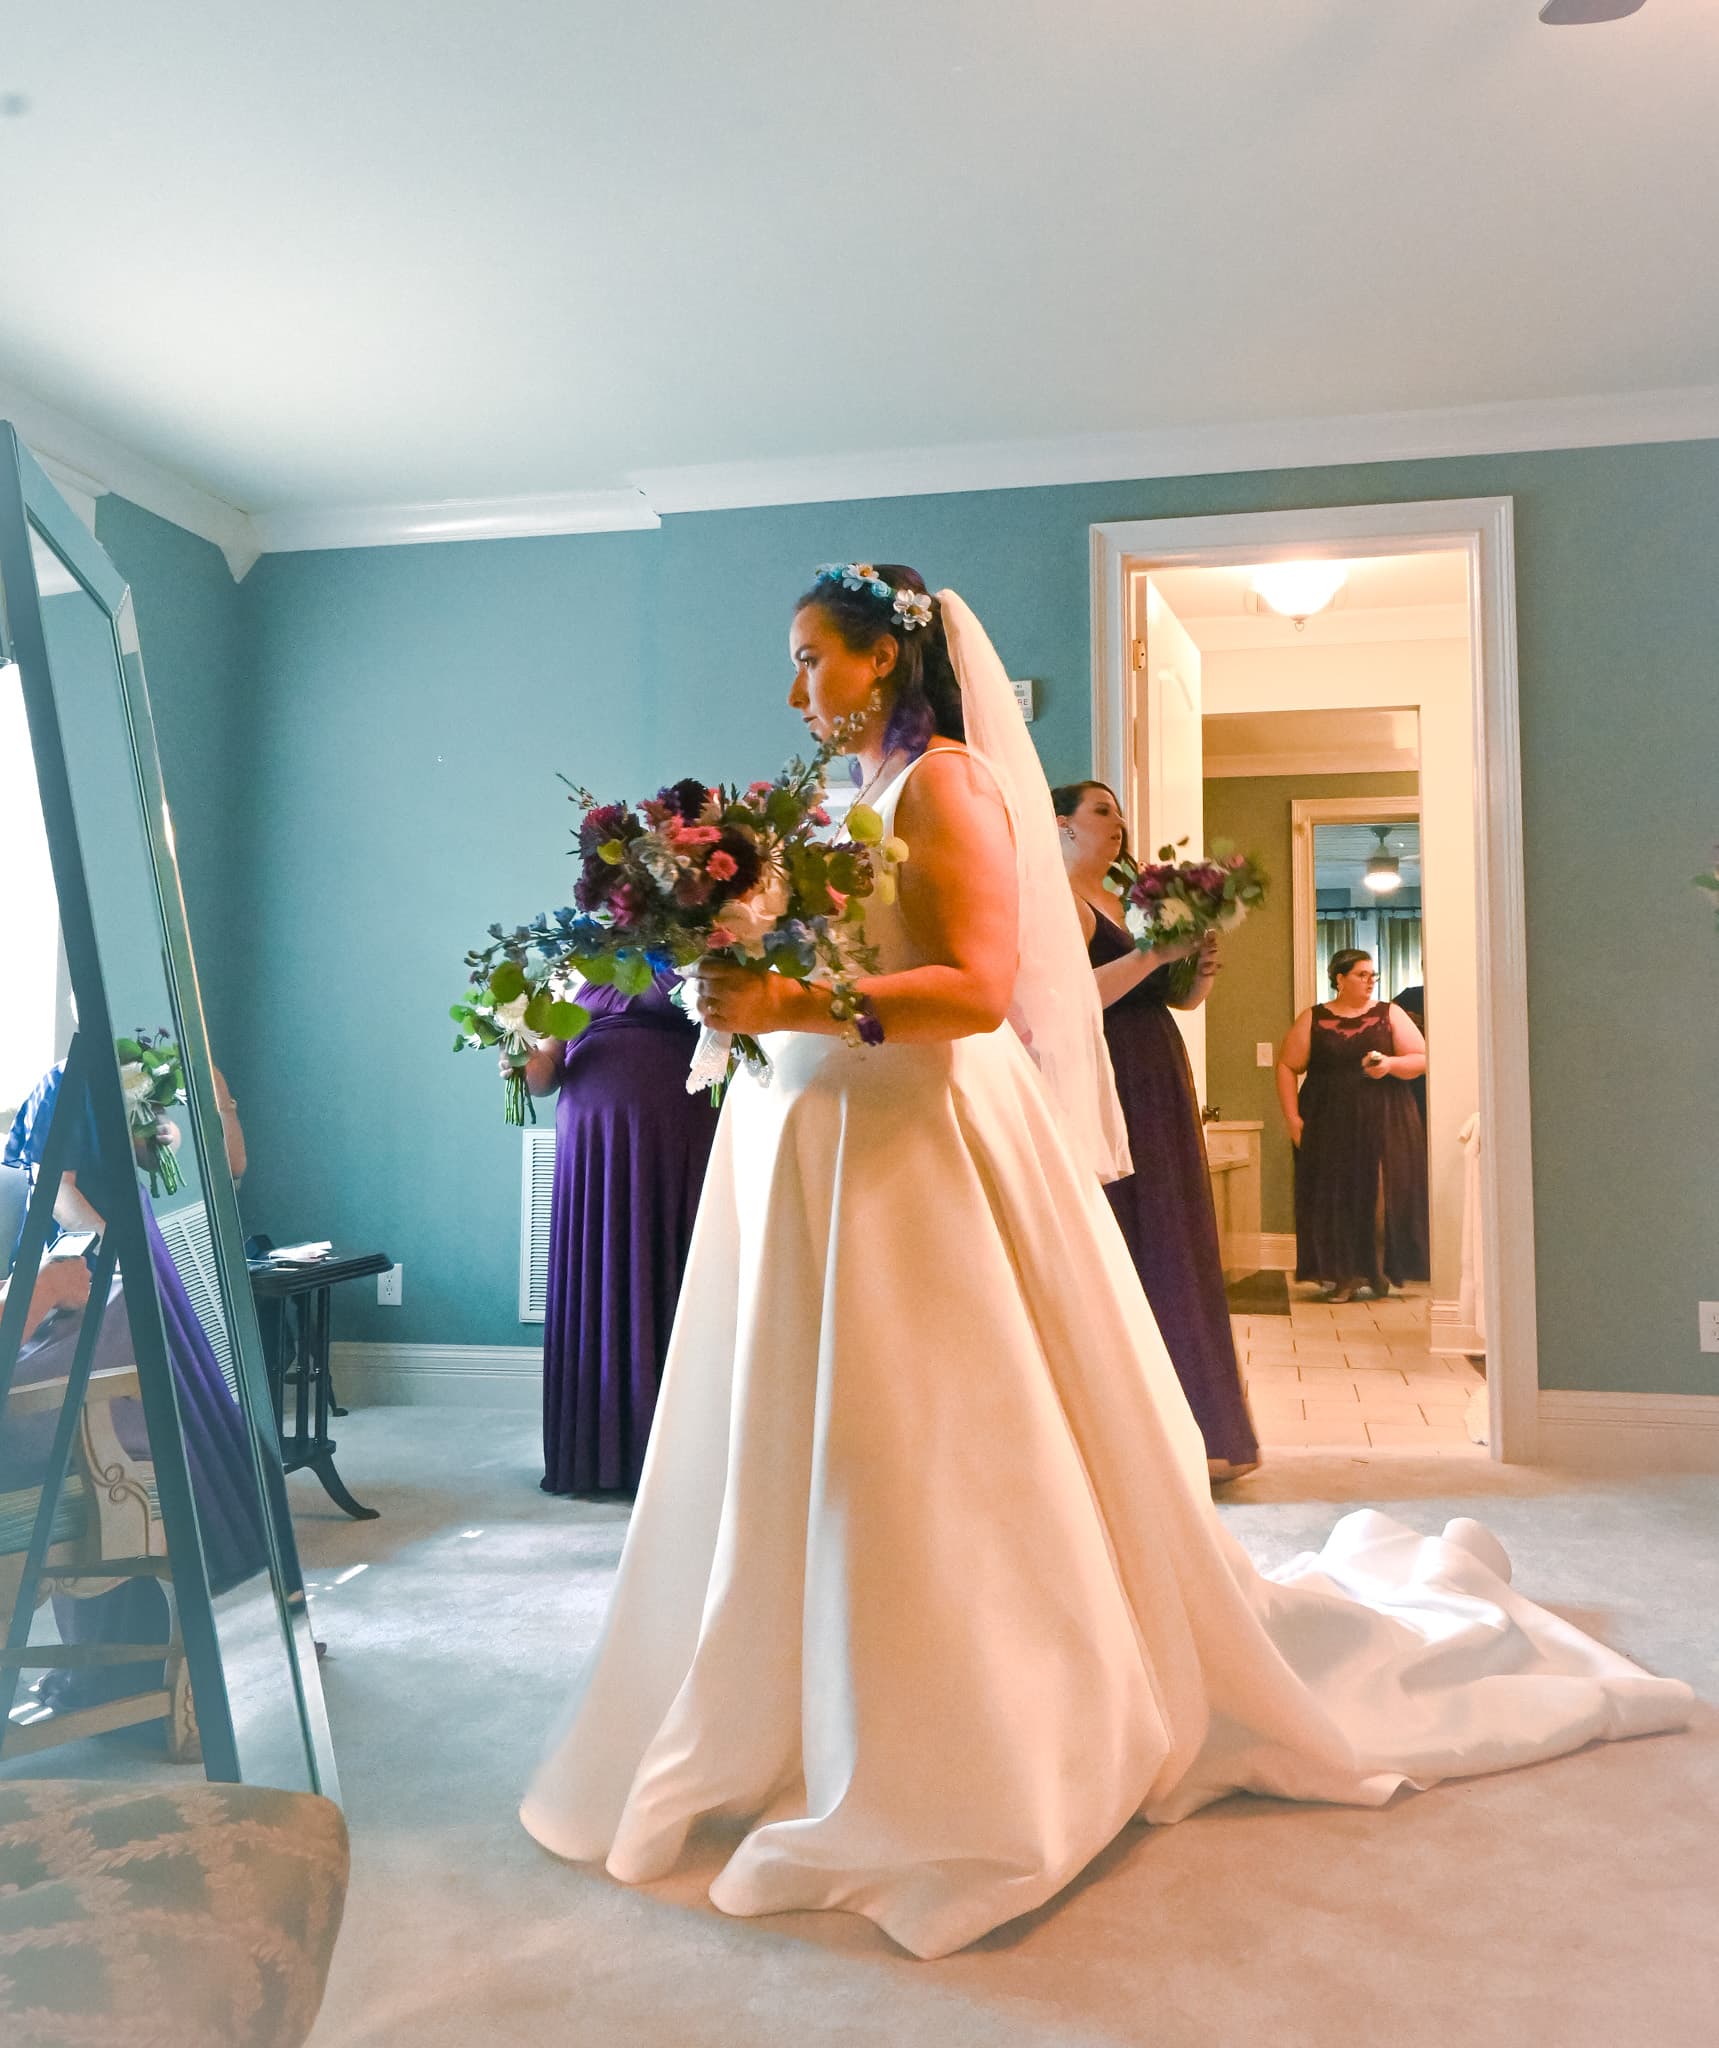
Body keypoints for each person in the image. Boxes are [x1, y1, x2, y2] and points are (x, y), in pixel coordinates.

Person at [520, 564, 1689, 1960]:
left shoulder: (946, 785)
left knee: (919, 1437)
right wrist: (743, 966)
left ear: (885, 661)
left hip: (907, 1148)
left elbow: (969, 988)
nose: (794, 691)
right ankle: (785, 1700)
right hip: (811, 1135)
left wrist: (783, 993)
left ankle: (969, 1737)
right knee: (808, 1438)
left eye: (811, 659)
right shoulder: (839, 805)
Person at [4, 1056, 268, 1709]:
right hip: (99, 1249)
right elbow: (56, 1192)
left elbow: (211, 1166)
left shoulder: (131, 1079)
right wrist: (108, 1239)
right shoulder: (63, 1083)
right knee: (133, 1402)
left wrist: (203, 1100)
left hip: (133, 1242)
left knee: (188, 1403)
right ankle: (121, 1649)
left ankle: (230, 1617)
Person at [1053, 779, 1257, 1480]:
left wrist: (1196, 973)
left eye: (1118, 812)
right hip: (1106, 1074)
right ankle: (1131, 1444)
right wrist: (1150, 957)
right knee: (1127, 1235)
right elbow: (1065, 1002)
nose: (1117, 822)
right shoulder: (1056, 903)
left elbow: (1175, 999)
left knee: (1173, 1230)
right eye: (1100, 810)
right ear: (1061, 824)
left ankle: (1201, 1430)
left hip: (1157, 1066)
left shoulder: (1126, 895)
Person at [517, 978, 719, 1495]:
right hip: (593, 1141)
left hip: (678, 1131)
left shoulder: (699, 940)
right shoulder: (572, 963)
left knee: (672, 1271)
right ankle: (595, 1457)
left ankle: (682, 1459)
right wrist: (511, 1045)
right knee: (598, 1272)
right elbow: (544, 1076)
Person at [1277, 951, 1430, 1302]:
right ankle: (1342, 1275)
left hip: (1384, 1118)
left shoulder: (1389, 1014)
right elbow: (1287, 1066)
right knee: (1335, 1197)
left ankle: (1376, 1271)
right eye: (1361, 974)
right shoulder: (1313, 1018)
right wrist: (1292, 1118)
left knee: (1380, 1194)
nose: (1369, 980)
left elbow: (1421, 1059)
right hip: (1328, 1120)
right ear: (1339, 978)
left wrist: (1388, 1064)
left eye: (1372, 974)